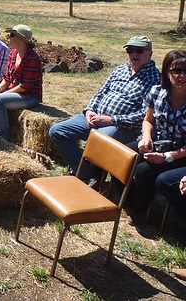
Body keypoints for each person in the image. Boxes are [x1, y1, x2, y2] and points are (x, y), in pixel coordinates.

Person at [49, 35, 161, 181]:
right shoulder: (120, 69)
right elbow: (101, 92)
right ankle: (86, 173)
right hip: (95, 117)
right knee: (57, 131)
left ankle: (88, 176)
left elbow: (145, 115)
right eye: (130, 50)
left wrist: (111, 119)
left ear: (150, 52)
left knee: (96, 142)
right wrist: (89, 110)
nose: (133, 53)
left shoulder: (156, 79)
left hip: (121, 126)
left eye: (138, 50)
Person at [124, 50, 186, 225]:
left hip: (181, 153)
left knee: (143, 170)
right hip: (159, 141)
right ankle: (128, 200)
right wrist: (146, 137)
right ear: (167, 72)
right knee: (122, 155)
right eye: (176, 71)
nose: (182, 76)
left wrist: (167, 157)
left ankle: (140, 211)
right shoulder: (157, 91)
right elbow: (148, 120)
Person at [0, 25, 43, 141]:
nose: (9, 38)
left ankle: (4, 137)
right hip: (15, 90)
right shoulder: (13, 54)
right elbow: (7, 77)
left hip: (29, 96)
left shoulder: (32, 58)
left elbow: (25, 87)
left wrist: (2, 94)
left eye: (12, 35)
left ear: (21, 39)